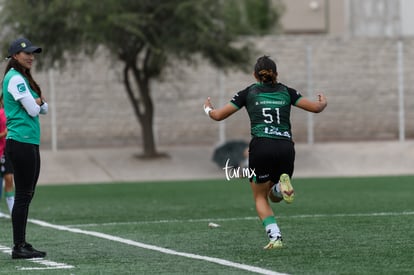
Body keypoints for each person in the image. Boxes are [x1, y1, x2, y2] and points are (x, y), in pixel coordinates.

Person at [203, 55, 327, 249]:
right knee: (273, 195)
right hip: (286, 147)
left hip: (261, 147)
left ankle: (275, 237)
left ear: (254, 75)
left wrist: (208, 109)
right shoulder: (287, 91)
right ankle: (280, 187)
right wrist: (323, 102)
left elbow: (218, 116)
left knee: (260, 197)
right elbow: (316, 108)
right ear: (276, 74)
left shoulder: (248, 93)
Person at [2, 37, 48, 259]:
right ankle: (18, 246)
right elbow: (33, 109)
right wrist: (37, 101)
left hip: (28, 142)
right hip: (20, 142)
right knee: (22, 195)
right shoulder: (15, 79)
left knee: (26, 195)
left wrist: (37, 102)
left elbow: (44, 108)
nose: (31, 56)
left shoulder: (22, 78)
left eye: (32, 53)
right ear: (14, 56)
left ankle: (22, 243)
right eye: (26, 53)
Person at [0, 100, 15, 214]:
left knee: (9, 178)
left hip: (7, 150)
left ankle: (12, 210)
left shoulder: (8, 112)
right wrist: (4, 133)